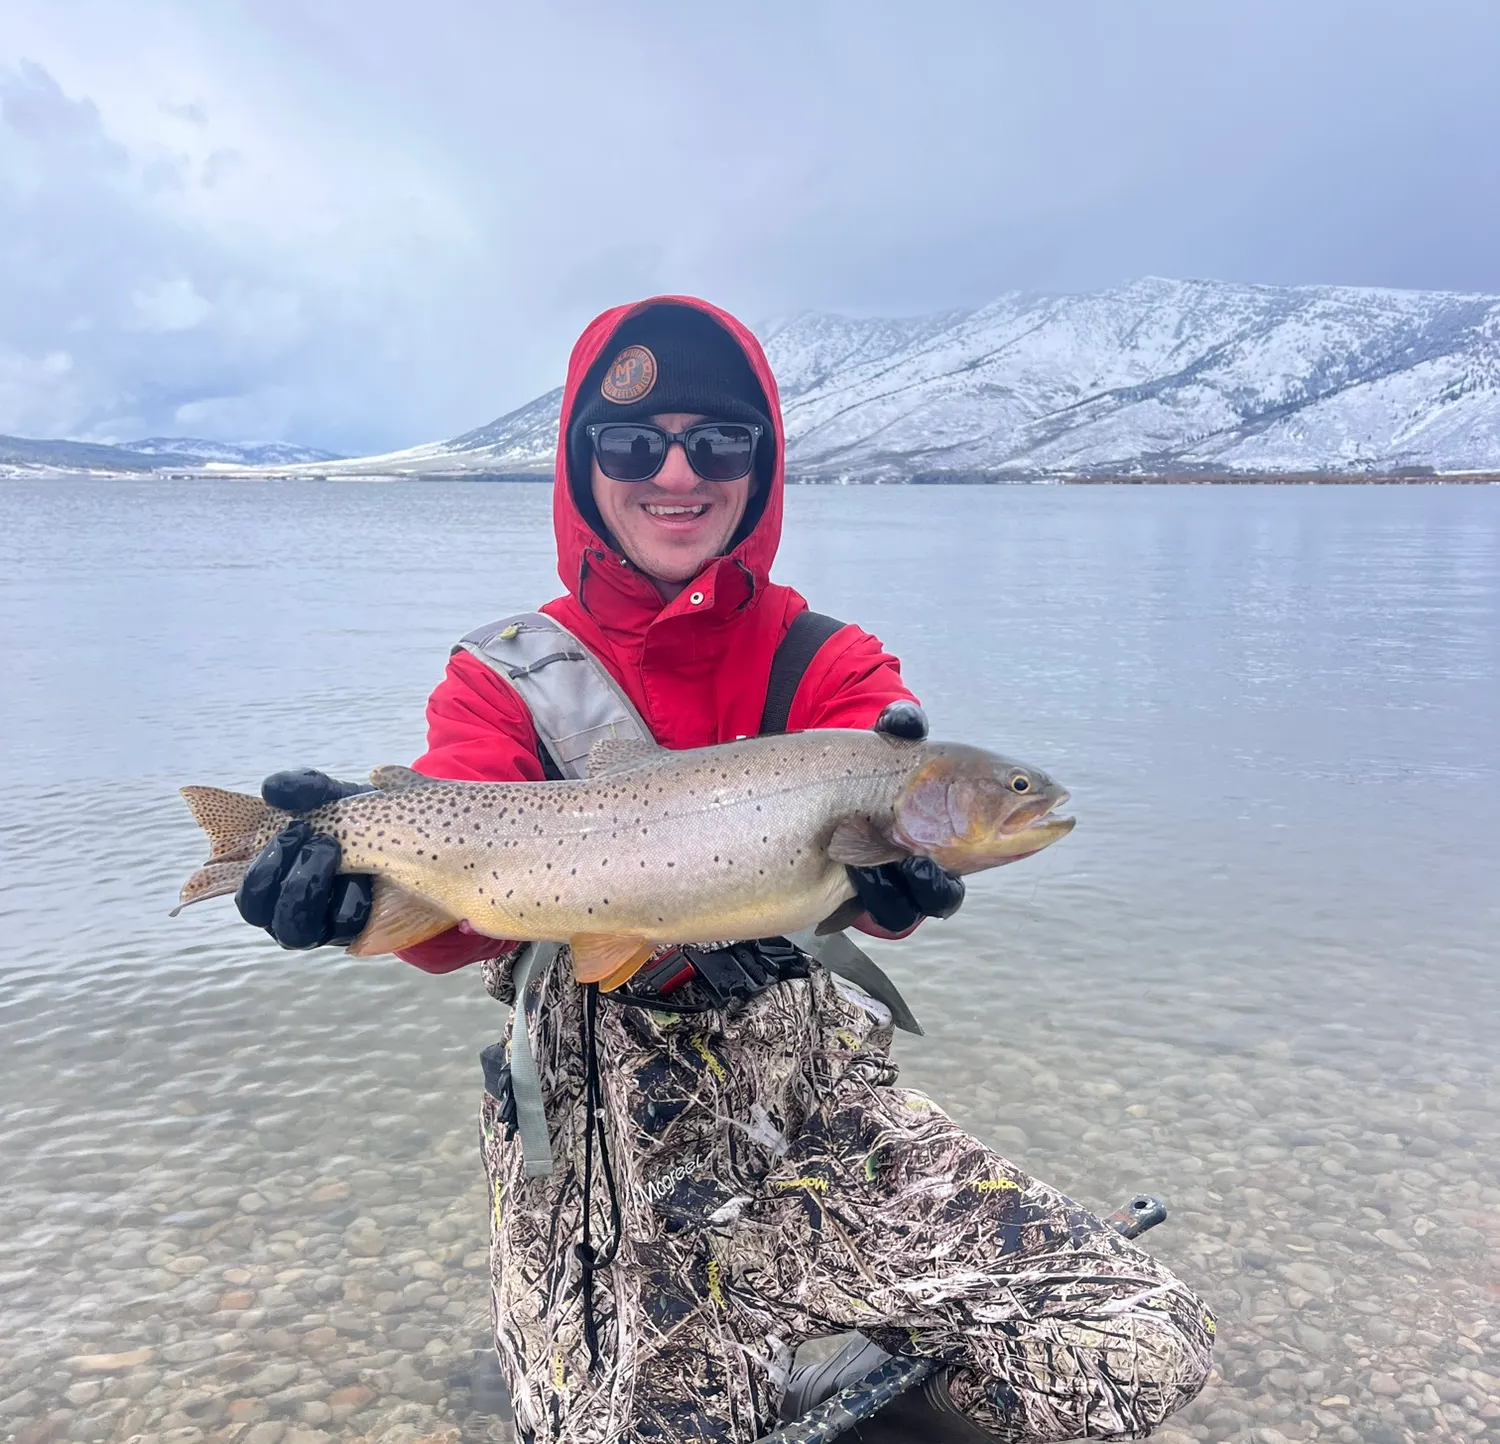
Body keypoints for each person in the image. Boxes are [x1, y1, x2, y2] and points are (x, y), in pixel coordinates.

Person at [235, 297, 1215, 1444]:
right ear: (582, 466)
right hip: (595, 1106)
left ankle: (838, 1356)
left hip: (805, 1095)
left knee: (1142, 1348)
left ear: (762, 468)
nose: (677, 471)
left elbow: (875, 888)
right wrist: (349, 902)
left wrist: (894, 888)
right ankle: (718, 1351)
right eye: (633, 443)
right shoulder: (502, 681)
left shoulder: (835, 669)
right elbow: (467, 921)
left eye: (720, 442)